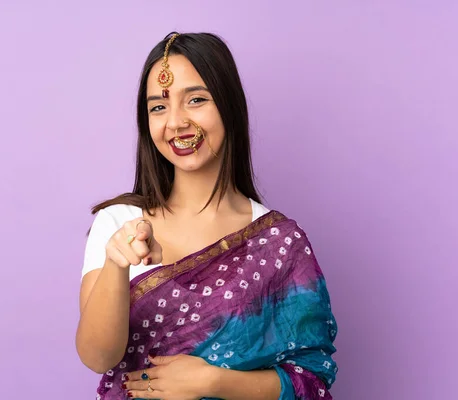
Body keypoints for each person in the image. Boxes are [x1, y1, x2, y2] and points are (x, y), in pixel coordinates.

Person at [75, 32, 338, 400]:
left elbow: (309, 381)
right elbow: (98, 356)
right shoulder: (119, 221)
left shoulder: (279, 243)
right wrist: (116, 263)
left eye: (196, 100)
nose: (176, 122)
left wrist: (212, 381)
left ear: (229, 106)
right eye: (158, 107)